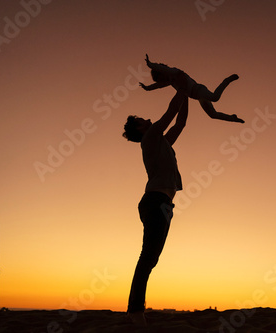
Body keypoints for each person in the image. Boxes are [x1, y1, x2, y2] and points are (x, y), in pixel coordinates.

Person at [122, 90, 188, 326]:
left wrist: (187, 95)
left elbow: (179, 122)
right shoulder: (150, 137)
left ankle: (135, 308)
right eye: (141, 120)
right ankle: (135, 310)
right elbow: (170, 113)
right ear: (140, 129)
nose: (146, 119)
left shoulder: (162, 142)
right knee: (147, 256)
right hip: (154, 202)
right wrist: (181, 88)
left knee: (152, 258)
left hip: (165, 204)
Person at [139, 54, 244, 123]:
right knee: (212, 114)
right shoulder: (170, 82)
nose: (161, 81)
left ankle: (227, 80)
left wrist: (150, 65)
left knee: (215, 97)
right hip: (198, 97)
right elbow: (159, 86)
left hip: (198, 89)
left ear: (161, 73)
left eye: (159, 77)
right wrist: (147, 88)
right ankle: (233, 118)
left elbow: (163, 68)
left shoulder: (174, 72)